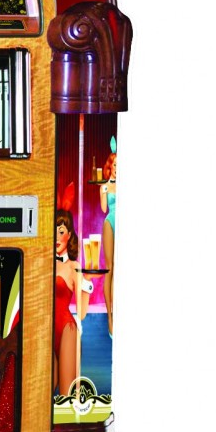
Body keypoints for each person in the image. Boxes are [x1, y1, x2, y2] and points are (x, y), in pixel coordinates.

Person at [53, 204, 91, 396]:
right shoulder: (43, 263)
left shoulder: (74, 267)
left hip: (66, 330)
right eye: (53, 231)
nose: (57, 237)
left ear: (69, 235)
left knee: (66, 393)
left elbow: (82, 313)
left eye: (61, 232)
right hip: (45, 331)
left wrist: (88, 283)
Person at [99, 139, 117, 336]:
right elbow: (104, 208)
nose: (117, 169)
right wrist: (104, 192)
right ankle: (109, 317)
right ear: (109, 166)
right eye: (115, 165)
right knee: (110, 268)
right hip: (110, 222)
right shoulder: (105, 186)